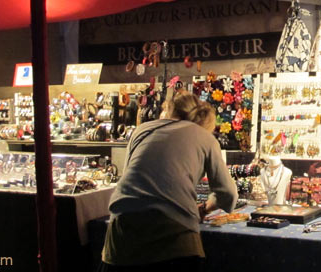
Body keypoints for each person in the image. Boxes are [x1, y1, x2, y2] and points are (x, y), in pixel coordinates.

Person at [101, 91, 238, 271]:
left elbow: (129, 177)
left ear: (169, 109)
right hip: (174, 236)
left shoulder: (142, 130)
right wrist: (205, 208)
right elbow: (228, 194)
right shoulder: (206, 138)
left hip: (122, 233)